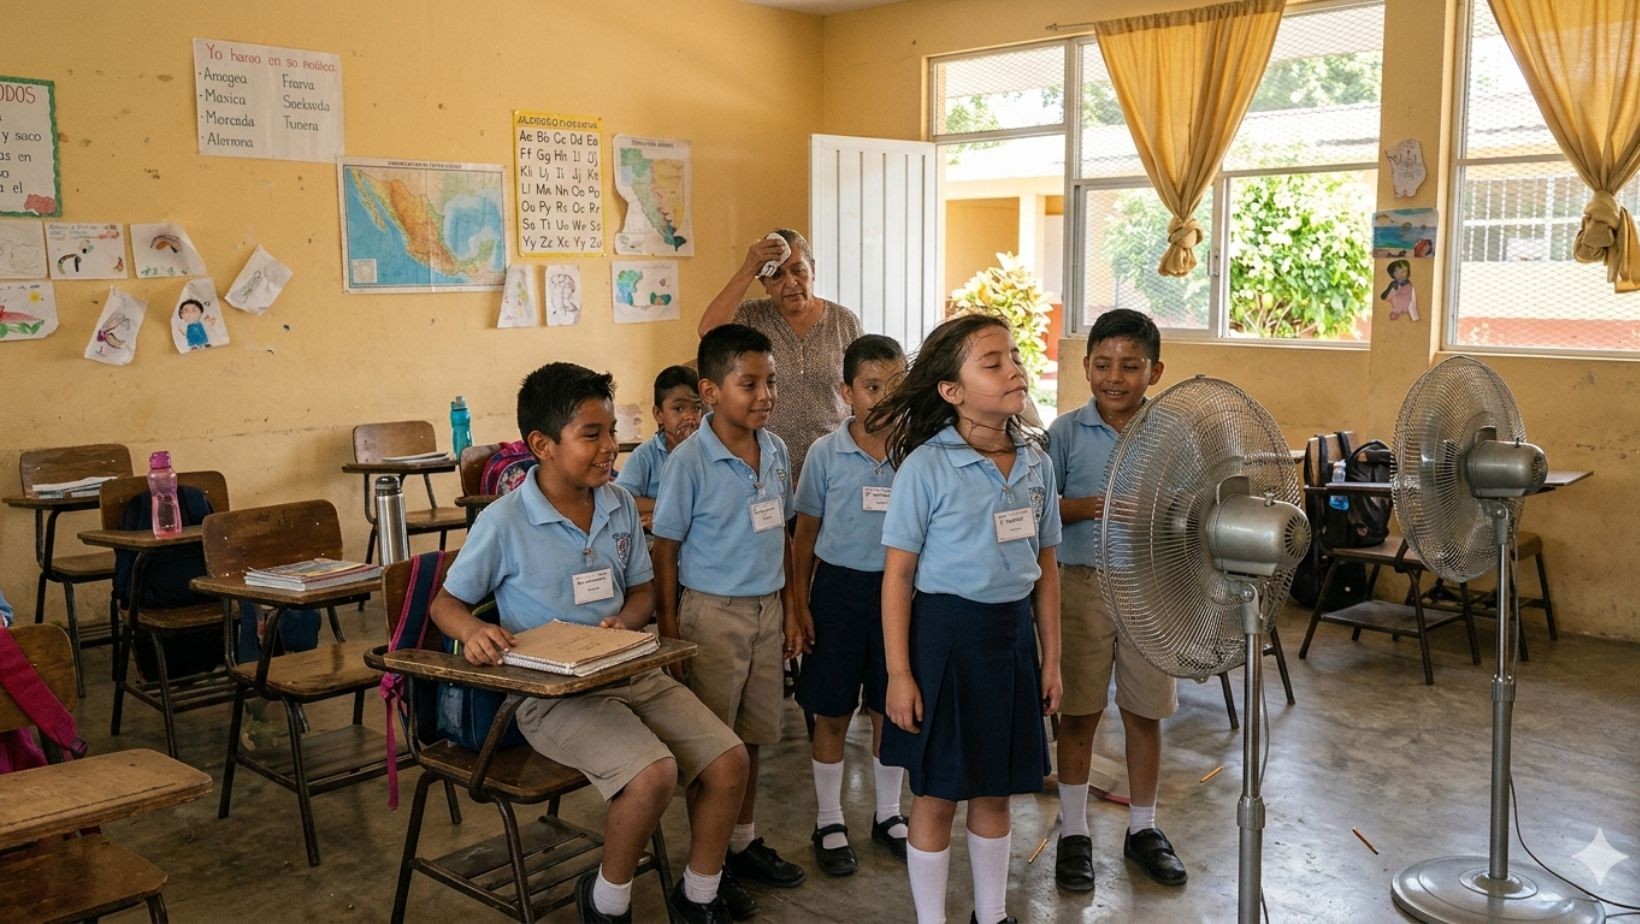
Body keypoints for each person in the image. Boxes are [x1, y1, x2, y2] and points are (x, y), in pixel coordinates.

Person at [429, 362, 749, 924]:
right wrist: (474, 631)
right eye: (592, 435)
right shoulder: (504, 522)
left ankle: (699, 895)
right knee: (652, 775)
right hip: (552, 697)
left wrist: (627, 620)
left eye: (612, 432)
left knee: (729, 762)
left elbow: (642, 591)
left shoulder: (618, 503)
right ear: (543, 445)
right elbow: (445, 605)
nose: (610, 448)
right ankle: (607, 904)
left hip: (628, 671)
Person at [870, 314, 1063, 924]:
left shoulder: (1036, 461)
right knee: (935, 795)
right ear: (951, 390)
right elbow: (897, 577)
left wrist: (1051, 659)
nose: (1014, 370)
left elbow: (1046, 567)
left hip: (1010, 639)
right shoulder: (926, 467)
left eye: (1015, 357)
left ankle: (992, 914)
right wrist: (899, 674)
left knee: (995, 789)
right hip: (944, 640)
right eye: (993, 363)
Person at [653, 324, 807, 919]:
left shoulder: (776, 450)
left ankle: (739, 845)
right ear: (711, 392)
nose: (765, 395)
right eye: (750, 384)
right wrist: (671, 634)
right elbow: (665, 550)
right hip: (711, 618)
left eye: (771, 381)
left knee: (754, 735)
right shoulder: (689, 462)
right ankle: (705, 870)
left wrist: (791, 610)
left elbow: (784, 534)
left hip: (767, 610)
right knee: (713, 752)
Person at [1046, 308, 1187, 894]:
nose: (1115, 377)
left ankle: (1143, 827)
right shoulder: (1063, 433)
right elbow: (1037, 509)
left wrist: (1161, 515)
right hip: (1079, 586)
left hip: (1149, 588)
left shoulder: (1172, 434)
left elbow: (1193, 509)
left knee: (1144, 713)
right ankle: (1074, 830)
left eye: (1130, 366)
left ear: (1155, 372)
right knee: (1078, 713)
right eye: (1103, 364)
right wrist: (1088, 507)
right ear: (1085, 367)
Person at [789, 334, 909, 876]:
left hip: (899, 595)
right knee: (832, 710)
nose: (883, 399)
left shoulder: (916, 452)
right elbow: (804, 536)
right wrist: (799, 604)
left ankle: (888, 813)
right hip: (837, 593)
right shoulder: (825, 454)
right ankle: (829, 819)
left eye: (895, 386)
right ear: (846, 392)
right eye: (871, 387)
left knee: (890, 707)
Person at [699, 229, 862, 480]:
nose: (791, 282)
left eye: (798, 270)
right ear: (763, 283)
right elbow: (709, 332)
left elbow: (861, 389)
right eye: (776, 275)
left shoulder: (844, 322)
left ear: (813, 269)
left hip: (834, 466)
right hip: (766, 464)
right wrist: (748, 269)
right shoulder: (750, 317)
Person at [616, 365, 702, 530]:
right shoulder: (645, 455)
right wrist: (668, 509)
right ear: (658, 414)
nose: (690, 416)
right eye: (678, 409)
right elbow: (622, 499)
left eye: (697, 408)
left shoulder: (709, 451)